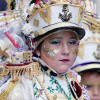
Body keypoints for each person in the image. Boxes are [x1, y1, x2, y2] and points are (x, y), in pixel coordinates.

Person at [0, 0, 89, 100]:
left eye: (72, 43)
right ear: (37, 48)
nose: (66, 51)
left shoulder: (73, 81)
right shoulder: (24, 84)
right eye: (55, 42)